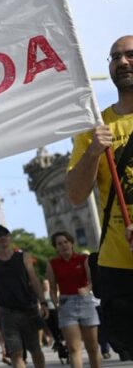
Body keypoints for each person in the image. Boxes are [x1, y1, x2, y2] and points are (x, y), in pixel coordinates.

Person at [66, 35, 133, 354]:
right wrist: (92, 153)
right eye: (115, 57)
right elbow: (76, 195)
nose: (122, 61)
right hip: (118, 265)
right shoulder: (94, 127)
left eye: (130, 55)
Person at [0, 225, 48, 368]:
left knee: (35, 350)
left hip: (28, 309)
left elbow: (34, 280)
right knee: (15, 353)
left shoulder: (23, 257)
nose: (2, 238)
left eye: (5, 235)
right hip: (7, 313)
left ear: (10, 238)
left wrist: (43, 302)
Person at [45, 231, 101, 368]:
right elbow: (52, 288)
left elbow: (92, 281)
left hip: (85, 302)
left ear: (71, 243)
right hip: (66, 304)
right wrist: (55, 302)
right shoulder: (52, 264)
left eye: (66, 242)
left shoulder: (83, 259)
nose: (63, 245)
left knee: (92, 347)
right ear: (56, 247)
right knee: (74, 348)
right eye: (59, 243)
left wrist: (87, 289)